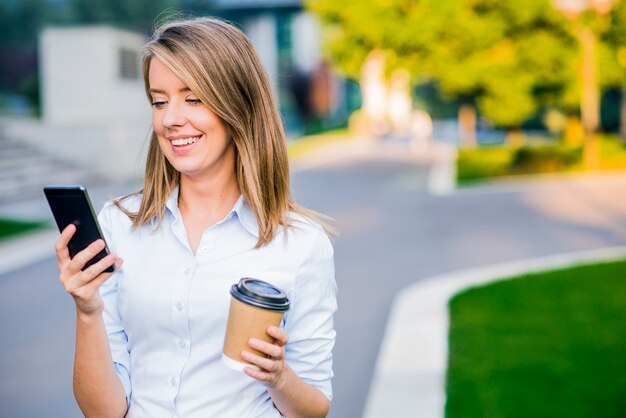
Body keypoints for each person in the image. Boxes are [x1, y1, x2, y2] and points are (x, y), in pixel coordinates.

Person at [54, 17, 337, 418]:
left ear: (237, 104)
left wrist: (279, 377)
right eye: (159, 100)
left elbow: (315, 408)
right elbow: (103, 412)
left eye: (193, 98)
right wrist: (87, 309)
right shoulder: (119, 225)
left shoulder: (301, 245)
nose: (170, 119)